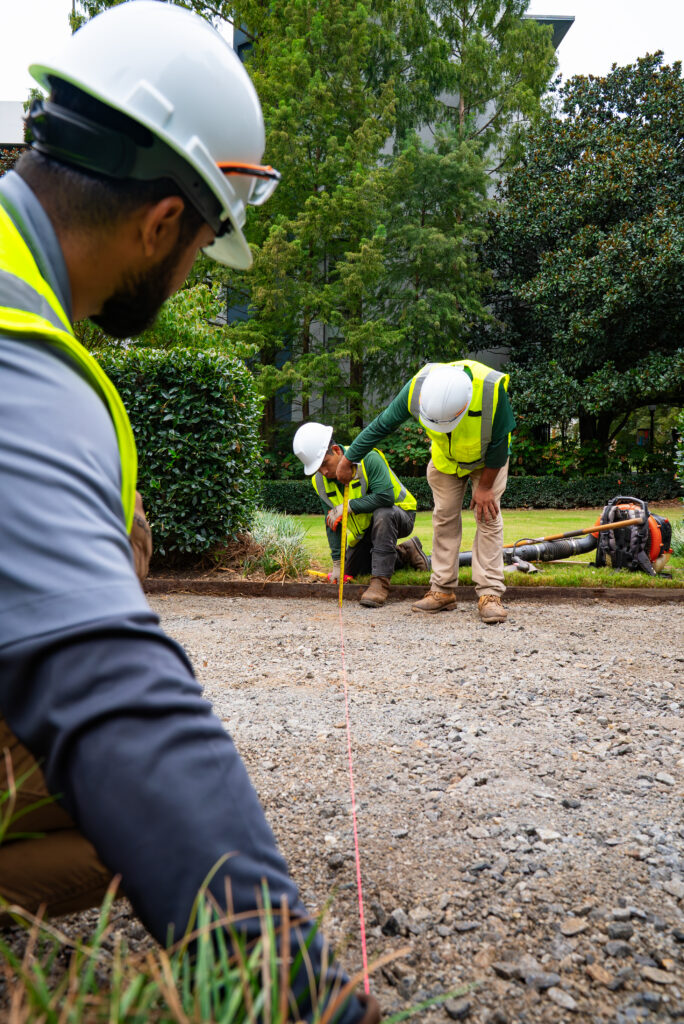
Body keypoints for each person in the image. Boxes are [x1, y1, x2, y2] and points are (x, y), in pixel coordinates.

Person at [0, 5, 378, 1021]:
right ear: (164, 221)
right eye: (202, 240)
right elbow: (109, 693)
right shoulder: (17, 351)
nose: (186, 270)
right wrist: (296, 989)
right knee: (124, 815)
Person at [336, 361, 516, 624]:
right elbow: (381, 425)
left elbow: (501, 441)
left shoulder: (490, 391)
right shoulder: (417, 389)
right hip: (446, 460)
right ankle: (442, 591)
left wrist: (486, 487)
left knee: (487, 516)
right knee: (444, 517)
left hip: (488, 459)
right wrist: (349, 457)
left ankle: (489, 594)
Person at [293, 422, 428, 607]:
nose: (323, 472)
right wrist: (336, 564)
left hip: (398, 515)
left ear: (336, 450)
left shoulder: (367, 458)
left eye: (325, 463)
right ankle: (405, 552)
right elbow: (331, 523)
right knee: (351, 570)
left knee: (383, 513)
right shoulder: (321, 482)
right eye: (317, 469)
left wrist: (349, 506)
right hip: (366, 531)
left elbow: (386, 497)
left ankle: (379, 583)